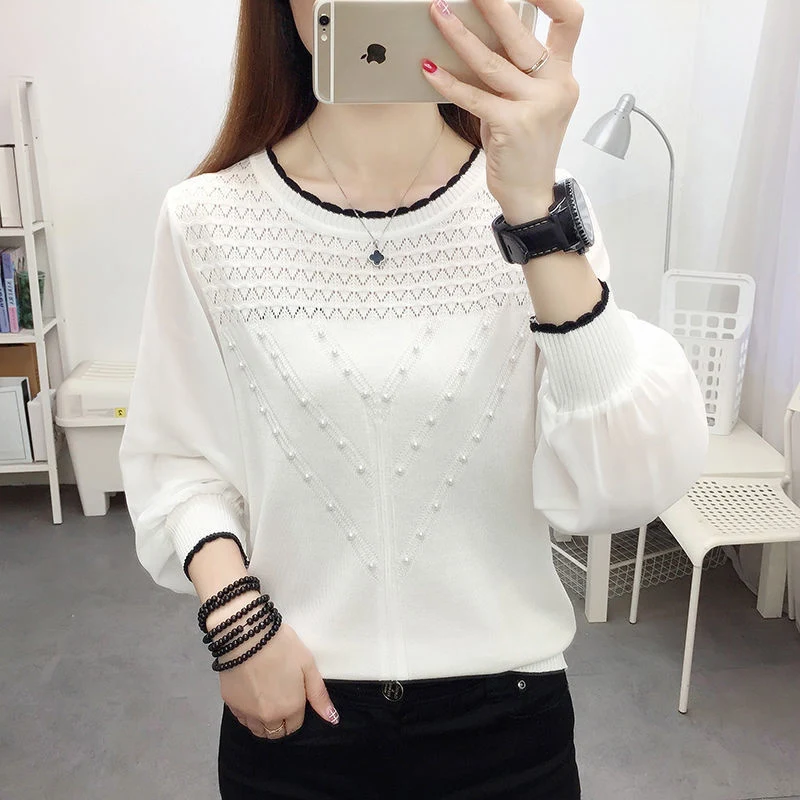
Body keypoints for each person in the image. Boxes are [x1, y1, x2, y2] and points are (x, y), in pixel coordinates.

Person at [119, 0, 709, 797]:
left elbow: (621, 481)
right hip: (293, 709)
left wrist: (532, 209)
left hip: (511, 725)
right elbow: (178, 461)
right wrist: (238, 628)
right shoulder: (206, 221)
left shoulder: (541, 209)